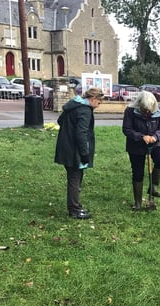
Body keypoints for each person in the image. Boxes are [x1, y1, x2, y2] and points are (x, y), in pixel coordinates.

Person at [54, 86, 104, 219]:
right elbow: (81, 133)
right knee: (75, 179)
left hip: (65, 147)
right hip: (74, 150)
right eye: (99, 102)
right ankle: (74, 209)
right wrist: (85, 154)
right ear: (93, 99)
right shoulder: (85, 110)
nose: (98, 106)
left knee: (74, 177)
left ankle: (75, 206)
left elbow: (60, 121)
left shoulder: (72, 105)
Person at [122, 91, 160, 210]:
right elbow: (126, 129)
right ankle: (138, 203)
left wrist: (155, 136)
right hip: (136, 145)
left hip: (154, 144)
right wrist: (141, 136)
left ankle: (153, 188)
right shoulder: (130, 111)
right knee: (138, 172)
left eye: (149, 110)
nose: (147, 112)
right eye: (144, 109)